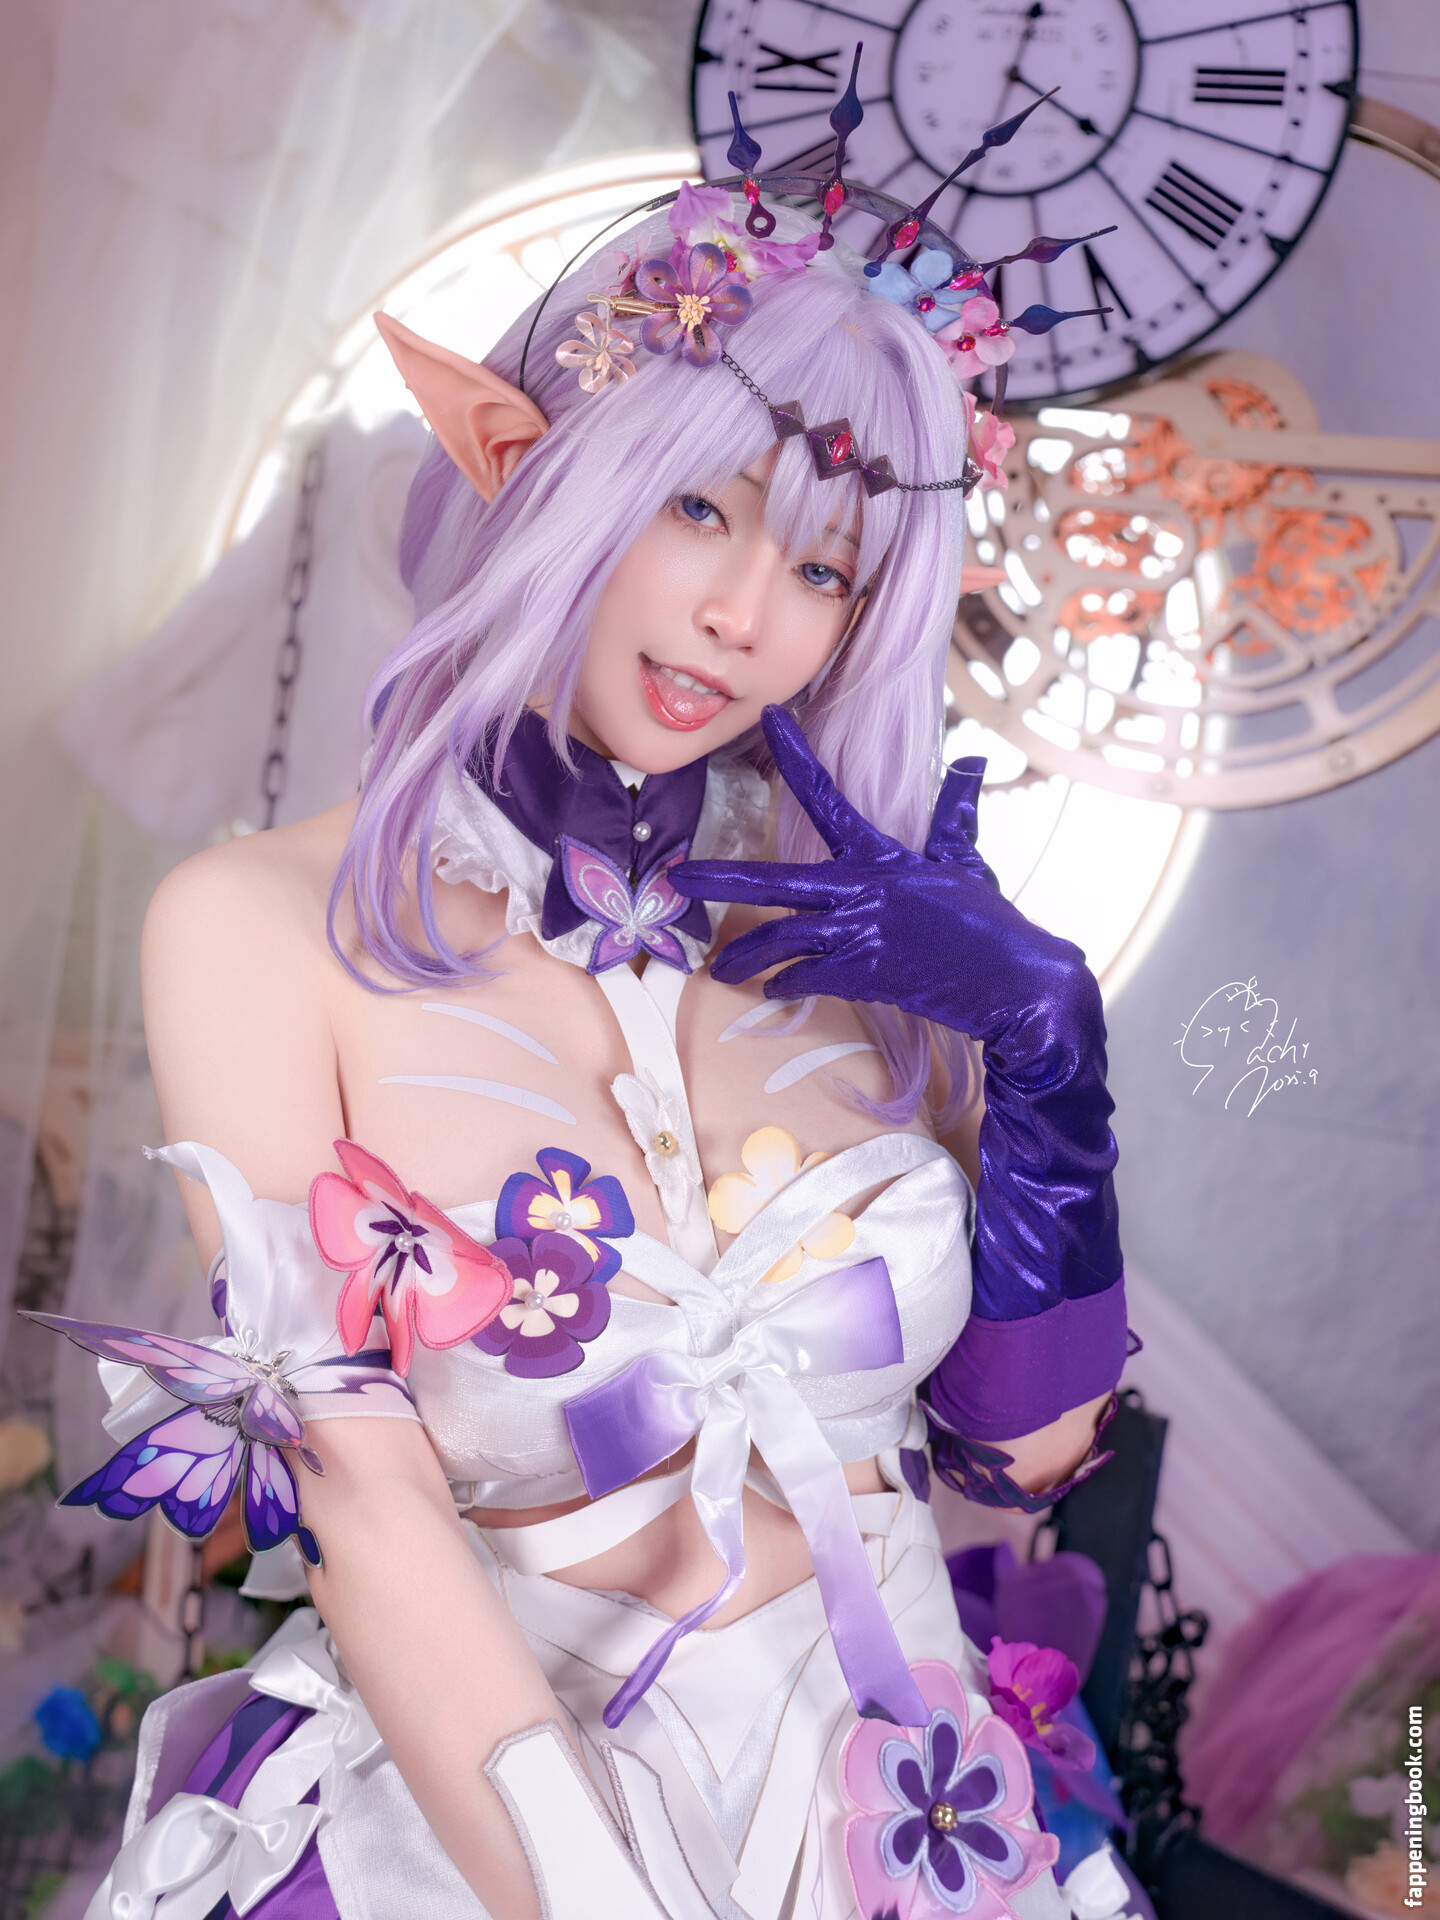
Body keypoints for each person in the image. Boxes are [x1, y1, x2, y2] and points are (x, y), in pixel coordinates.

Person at [49, 163, 1132, 1920]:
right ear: (543, 464)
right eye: (700, 508)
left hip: (905, 1828)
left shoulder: (882, 948)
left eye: (824, 567)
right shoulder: (254, 927)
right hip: (489, 1842)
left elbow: (1028, 1450)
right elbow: (367, 1501)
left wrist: (1051, 1059)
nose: (745, 616)